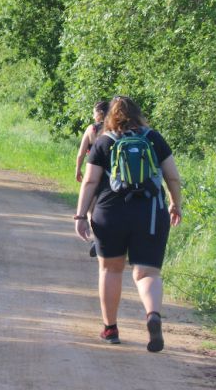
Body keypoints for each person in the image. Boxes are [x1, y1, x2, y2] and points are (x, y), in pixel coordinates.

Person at [74, 96, 182, 352]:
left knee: (111, 270)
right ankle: (152, 315)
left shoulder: (104, 141)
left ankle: (110, 328)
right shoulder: (153, 138)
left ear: (110, 116)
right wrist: (175, 204)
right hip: (150, 212)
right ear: (138, 114)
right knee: (147, 273)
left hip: (110, 212)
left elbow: (90, 182)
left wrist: (80, 216)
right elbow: (173, 177)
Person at [75, 100, 110, 257]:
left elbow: (81, 152)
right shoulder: (114, 129)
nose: (92, 114)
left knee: (91, 209)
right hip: (110, 176)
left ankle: (97, 239)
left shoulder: (91, 129)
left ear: (99, 114)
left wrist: (78, 169)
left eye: (94, 112)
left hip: (94, 172)